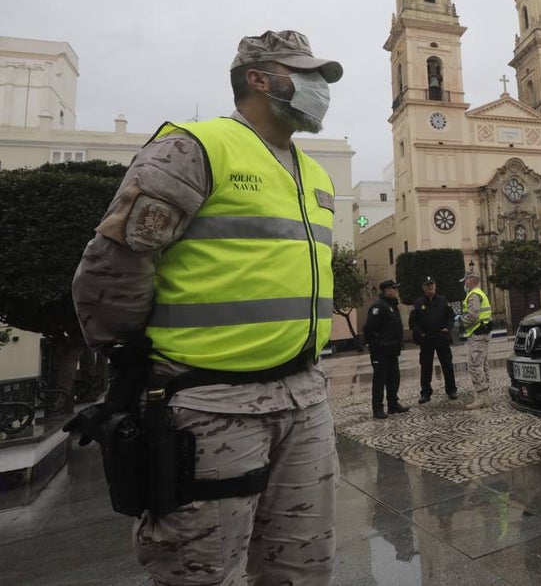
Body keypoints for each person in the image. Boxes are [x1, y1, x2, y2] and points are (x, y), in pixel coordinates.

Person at [70, 29, 343, 583]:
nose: (321, 90)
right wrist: (133, 359)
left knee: (304, 567)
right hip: (211, 404)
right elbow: (114, 264)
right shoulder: (194, 147)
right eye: (307, 75)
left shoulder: (314, 172)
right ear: (261, 80)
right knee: (202, 572)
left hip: (306, 397)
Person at [363, 279, 409, 419]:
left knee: (394, 378)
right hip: (381, 350)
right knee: (380, 379)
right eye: (394, 288)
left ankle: (393, 404)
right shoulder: (379, 307)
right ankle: (377, 408)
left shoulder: (392, 306)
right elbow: (368, 328)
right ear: (387, 290)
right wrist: (377, 343)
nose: (396, 291)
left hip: (392, 350)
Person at [409, 276, 457, 403]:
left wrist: (448, 328)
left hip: (442, 337)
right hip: (427, 339)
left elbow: (450, 316)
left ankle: (451, 390)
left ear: (435, 286)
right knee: (426, 367)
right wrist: (421, 334)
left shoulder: (442, 300)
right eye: (427, 286)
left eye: (432, 285)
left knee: (447, 365)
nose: (430, 288)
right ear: (423, 288)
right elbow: (413, 322)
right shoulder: (418, 303)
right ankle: (425, 393)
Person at [459, 272, 494, 410]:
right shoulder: (480, 293)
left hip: (477, 332)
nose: (464, 284)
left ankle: (482, 396)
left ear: (470, 280)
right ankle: (485, 395)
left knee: (474, 365)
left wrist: (461, 319)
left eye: (465, 281)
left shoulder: (473, 295)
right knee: (482, 363)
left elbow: (473, 315)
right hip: (482, 332)